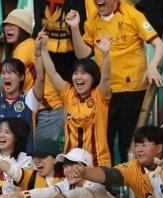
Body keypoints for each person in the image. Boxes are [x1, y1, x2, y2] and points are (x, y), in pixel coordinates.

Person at [68, 0, 163, 164]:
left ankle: (130, 180)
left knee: (127, 142)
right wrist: (74, 28)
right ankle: (109, 180)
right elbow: (82, 54)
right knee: (103, 140)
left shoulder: (133, 15)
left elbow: (159, 44)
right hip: (104, 92)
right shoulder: (92, 21)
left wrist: (153, 66)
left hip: (132, 89)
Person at [12, 0, 93, 145]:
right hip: (45, 53)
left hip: (69, 56)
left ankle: (74, 138)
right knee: (49, 98)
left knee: (71, 99)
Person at [37, 32, 112, 166]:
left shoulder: (100, 95)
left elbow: (106, 78)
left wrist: (106, 55)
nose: (78, 77)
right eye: (75, 73)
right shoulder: (68, 93)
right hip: (71, 162)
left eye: (84, 73)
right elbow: (52, 73)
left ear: (93, 78)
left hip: (98, 162)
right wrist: (43, 49)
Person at [23, 147, 115, 198]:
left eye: (73, 165)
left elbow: (82, 193)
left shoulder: (96, 185)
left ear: (87, 168)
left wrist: (64, 197)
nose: (68, 170)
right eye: (66, 166)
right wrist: (20, 195)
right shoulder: (66, 184)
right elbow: (47, 191)